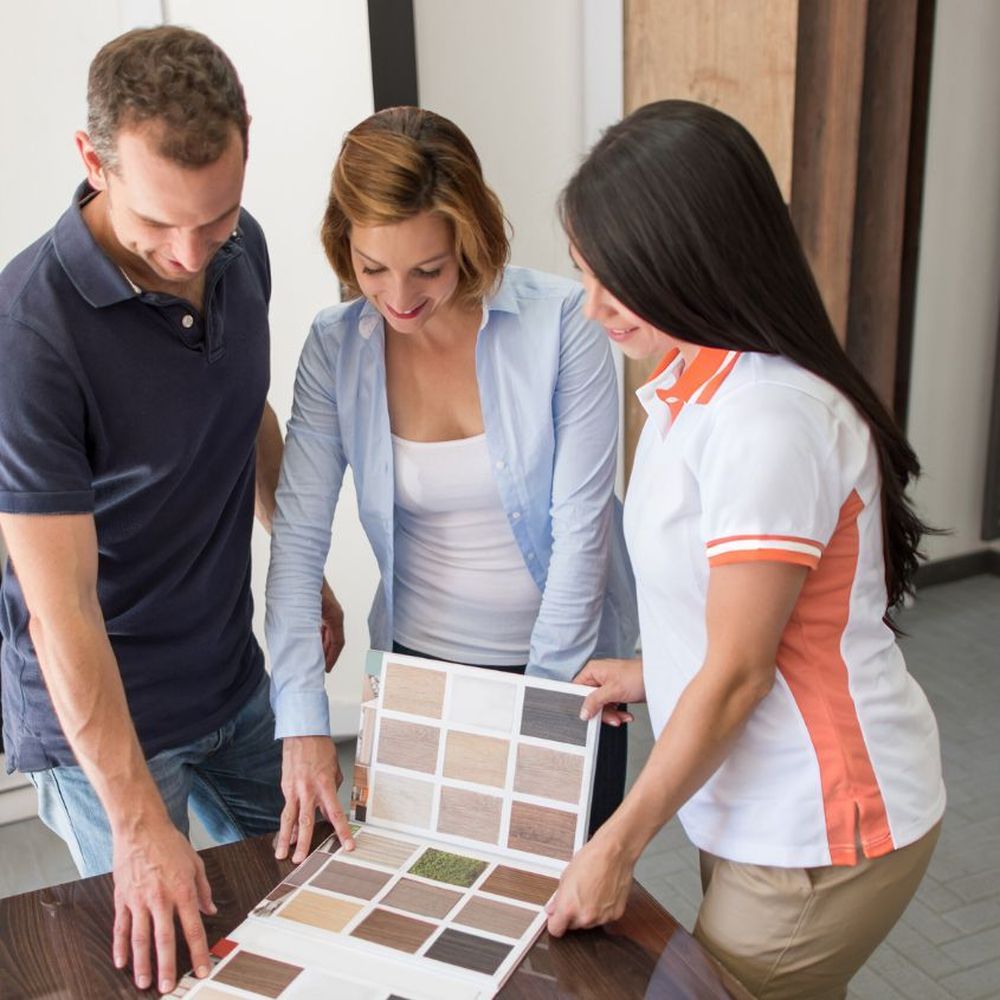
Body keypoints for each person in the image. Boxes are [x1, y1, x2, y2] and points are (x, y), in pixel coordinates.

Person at [544, 100, 946, 1000]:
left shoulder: (769, 420)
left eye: (619, 279)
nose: (593, 306)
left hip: (817, 822)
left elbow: (738, 674)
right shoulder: (692, 382)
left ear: (694, 259)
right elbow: (740, 613)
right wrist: (651, 673)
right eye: (584, 273)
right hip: (752, 802)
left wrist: (616, 845)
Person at [0, 27, 336, 995]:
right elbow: (60, 614)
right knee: (176, 961)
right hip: (106, 728)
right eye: (158, 223)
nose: (190, 255)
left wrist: (296, 558)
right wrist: (139, 822)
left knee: (325, 898)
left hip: (231, 681)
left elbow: (240, 408)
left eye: (215, 217)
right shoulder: (29, 338)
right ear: (91, 161)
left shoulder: (243, 249)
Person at [265, 106, 638, 861]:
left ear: (469, 237)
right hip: (417, 678)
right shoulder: (336, 348)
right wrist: (302, 722)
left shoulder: (563, 324)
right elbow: (298, 540)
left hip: (565, 672)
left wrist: (541, 717)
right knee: (418, 890)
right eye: (373, 269)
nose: (399, 297)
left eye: (428, 270)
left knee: (554, 902)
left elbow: (582, 531)